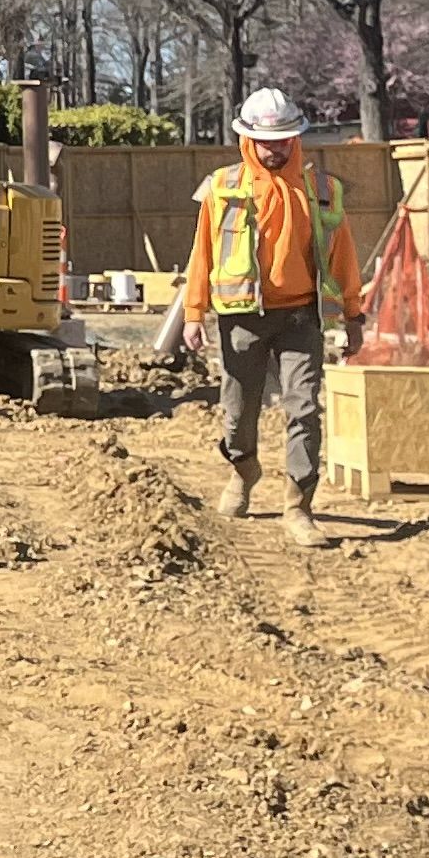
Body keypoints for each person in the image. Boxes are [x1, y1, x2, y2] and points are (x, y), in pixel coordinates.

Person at [157, 89, 362, 545]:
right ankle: (243, 472)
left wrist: (353, 317)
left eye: (284, 139)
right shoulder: (223, 188)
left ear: (296, 139)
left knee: (305, 409)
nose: (275, 149)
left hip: (300, 317)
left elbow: (344, 257)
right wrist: (193, 314)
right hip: (242, 318)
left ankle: (298, 507)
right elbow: (201, 254)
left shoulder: (322, 191)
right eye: (267, 141)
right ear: (247, 139)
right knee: (237, 412)